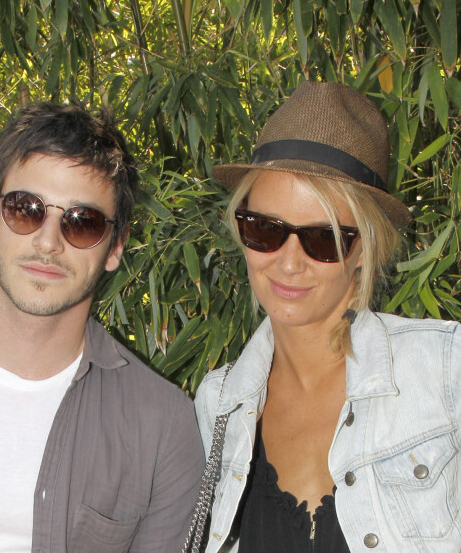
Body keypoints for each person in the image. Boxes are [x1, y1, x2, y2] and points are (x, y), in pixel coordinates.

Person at [0, 102, 204, 552]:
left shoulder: (161, 427)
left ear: (115, 248)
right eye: (26, 209)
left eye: (82, 222)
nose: (48, 242)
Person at [194, 81, 461, 552]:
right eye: (265, 230)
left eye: (324, 239)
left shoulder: (444, 370)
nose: (289, 262)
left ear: (363, 250)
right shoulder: (220, 404)